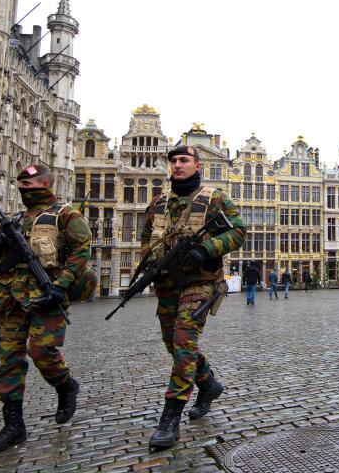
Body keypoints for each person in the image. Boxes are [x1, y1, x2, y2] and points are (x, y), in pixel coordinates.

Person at [0, 164, 91, 453]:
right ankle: (13, 427)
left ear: (46, 183)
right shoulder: (13, 219)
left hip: (46, 297)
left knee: (42, 351)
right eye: (21, 183)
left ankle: (65, 385)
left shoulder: (65, 215)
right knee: (9, 361)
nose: (24, 187)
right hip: (11, 299)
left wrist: (61, 285)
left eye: (30, 183)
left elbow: (81, 251)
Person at [139, 144, 245, 451]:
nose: (177, 165)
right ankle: (208, 384)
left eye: (183, 160)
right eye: (173, 161)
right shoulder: (158, 203)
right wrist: (149, 265)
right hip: (168, 285)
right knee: (173, 344)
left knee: (184, 341)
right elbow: (146, 238)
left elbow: (238, 231)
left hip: (201, 283)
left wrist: (205, 250)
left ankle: (170, 416)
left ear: (197, 166)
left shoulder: (214, 198)